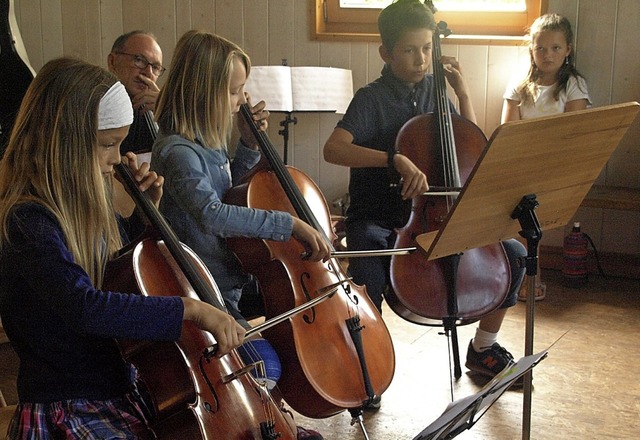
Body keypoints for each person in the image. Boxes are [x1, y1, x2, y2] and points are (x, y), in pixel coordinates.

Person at [0, 57, 246, 439]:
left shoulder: (78, 209)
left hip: (119, 391)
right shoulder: (27, 221)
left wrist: (140, 219)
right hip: (68, 408)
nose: (117, 157)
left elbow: (123, 277)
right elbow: (86, 306)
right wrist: (191, 310)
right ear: (65, 144)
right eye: (107, 145)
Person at [323, 0, 526, 397]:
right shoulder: (372, 98)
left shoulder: (436, 89)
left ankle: (483, 348)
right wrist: (392, 159)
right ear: (386, 53)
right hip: (381, 216)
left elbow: (468, 143)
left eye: (427, 49)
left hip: (435, 214)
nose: (421, 59)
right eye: (409, 50)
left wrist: (463, 93)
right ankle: (368, 366)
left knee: (514, 256)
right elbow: (334, 149)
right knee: (369, 273)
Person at [151, 30, 328, 440]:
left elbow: (232, 190)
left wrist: (248, 147)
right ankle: (260, 424)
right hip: (203, 292)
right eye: (233, 92)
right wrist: (291, 224)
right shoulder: (177, 152)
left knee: (293, 328)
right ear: (203, 93)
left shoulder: (206, 145)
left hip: (229, 282)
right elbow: (213, 214)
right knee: (267, 363)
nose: (241, 102)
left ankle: (273, 420)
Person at [502, 12, 590, 302]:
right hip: (521, 160)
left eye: (555, 48)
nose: (547, 55)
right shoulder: (519, 85)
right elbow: (507, 131)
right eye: (540, 48)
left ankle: (534, 272)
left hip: (556, 161)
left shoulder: (572, 84)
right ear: (531, 49)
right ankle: (517, 273)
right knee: (512, 207)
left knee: (538, 213)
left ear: (568, 50)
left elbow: (573, 131)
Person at [108, 30, 165, 154]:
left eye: (155, 67)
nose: (148, 73)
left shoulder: (159, 109)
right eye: (139, 60)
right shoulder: (98, 108)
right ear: (112, 62)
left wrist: (166, 116)